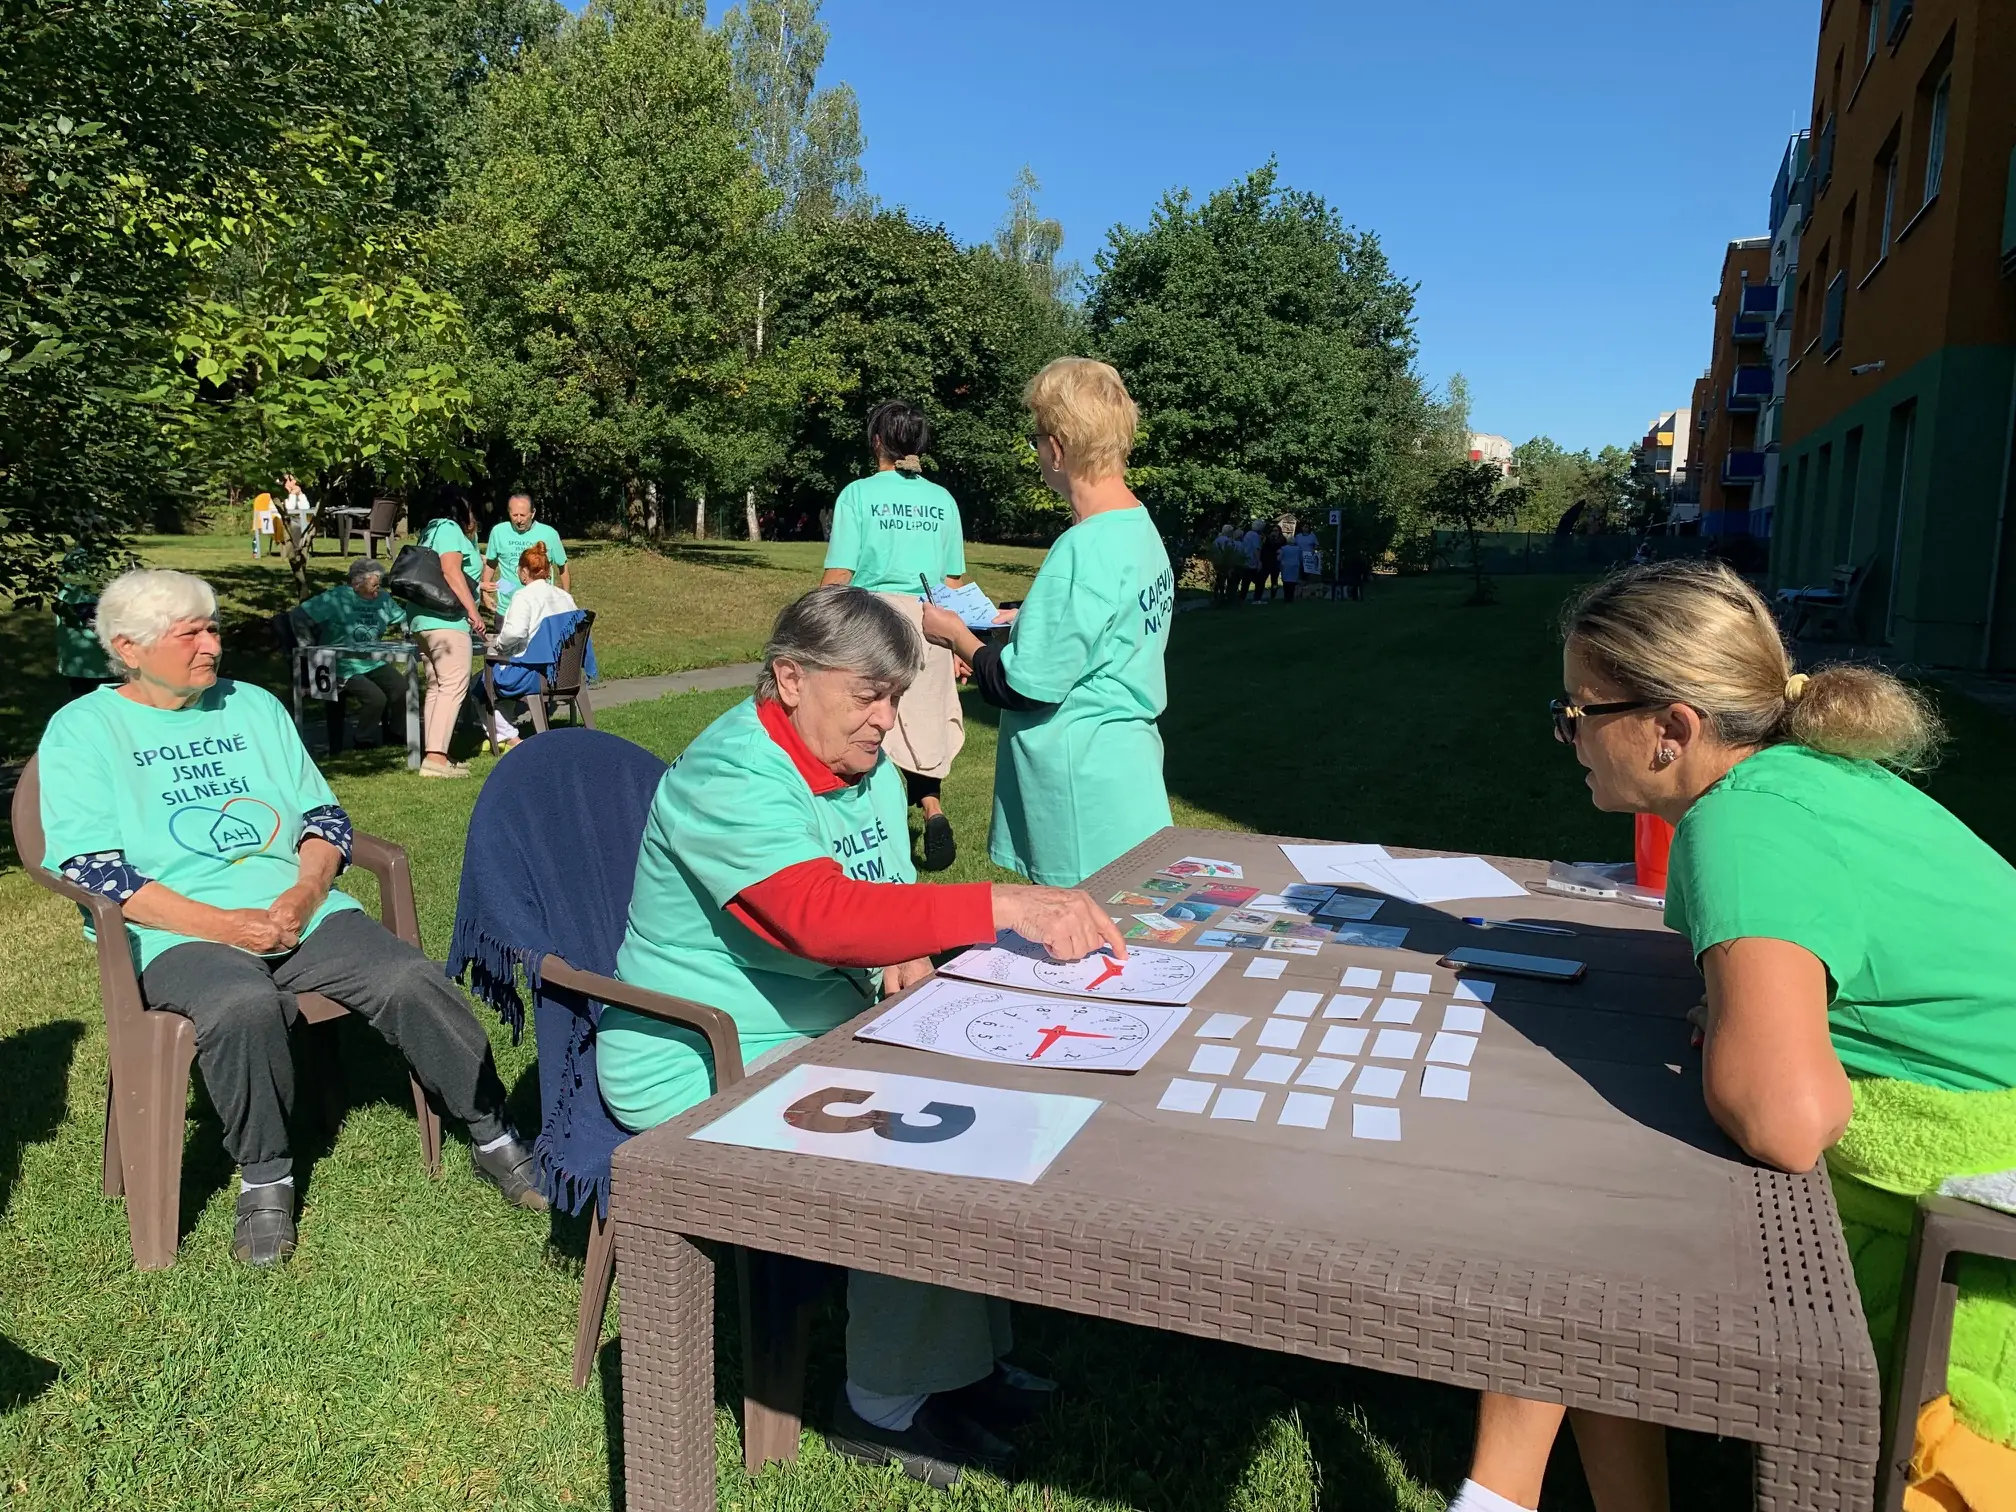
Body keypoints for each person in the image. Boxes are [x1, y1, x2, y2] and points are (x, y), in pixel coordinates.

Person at [1453, 559, 2016, 1512]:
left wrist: (1740, 1043)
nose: (1568, 735)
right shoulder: (1803, 778)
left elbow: (1785, 1122)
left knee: (1588, 1201)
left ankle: (1500, 1492)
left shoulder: (1743, 828)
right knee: (1603, 1191)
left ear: (1671, 730)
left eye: (1580, 712)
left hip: (1971, 1190)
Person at [597, 585, 1126, 1487]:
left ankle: (961, 1364)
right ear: (790, 679)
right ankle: (881, 1404)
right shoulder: (730, 773)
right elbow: (814, 915)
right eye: (869, 696)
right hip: (699, 1052)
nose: (888, 719)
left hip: (825, 1024)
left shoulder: (862, 765)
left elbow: (878, 898)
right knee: (915, 1129)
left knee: (991, 1077)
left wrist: (907, 946)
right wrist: (1000, 905)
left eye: (897, 697)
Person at [34, 570, 543, 1267]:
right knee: (242, 1006)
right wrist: (226, 926)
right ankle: (265, 1177)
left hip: (297, 909)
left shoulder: (252, 706)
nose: (212, 646)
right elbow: (96, 871)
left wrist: (304, 894)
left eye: (213, 629)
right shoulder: (84, 730)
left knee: (411, 980)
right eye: (190, 635)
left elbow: (324, 819)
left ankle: (494, 1134)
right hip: (173, 929)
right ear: (129, 648)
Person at [920, 357, 1175, 888]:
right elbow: (1108, 624)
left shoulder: (1082, 549)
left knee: (1084, 928)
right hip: (1130, 774)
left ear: (1057, 448)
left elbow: (1023, 687)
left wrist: (957, 637)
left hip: (1082, 794)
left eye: (1038, 439)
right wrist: (1030, 619)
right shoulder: (1139, 528)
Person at [820, 400, 971, 871]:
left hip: (874, 620)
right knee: (923, 724)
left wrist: (814, 628)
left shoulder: (858, 495)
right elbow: (952, 584)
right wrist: (960, 645)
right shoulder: (943, 501)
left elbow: (839, 575)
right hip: (931, 623)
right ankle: (932, 809)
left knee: (869, 724)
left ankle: (872, 827)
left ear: (877, 442)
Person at [291, 557, 410, 747]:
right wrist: (309, 647)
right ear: (356, 583)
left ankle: (396, 733)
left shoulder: (383, 600)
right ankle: (364, 739)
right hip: (341, 664)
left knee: (401, 688)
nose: (378, 589)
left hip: (372, 660)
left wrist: (408, 630)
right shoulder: (338, 597)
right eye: (374, 585)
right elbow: (298, 615)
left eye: (379, 584)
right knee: (375, 698)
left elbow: (404, 617)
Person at [409, 496, 487, 779]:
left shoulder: (430, 529)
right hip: (446, 620)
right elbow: (451, 571)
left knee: (437, 687)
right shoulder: (449, 528)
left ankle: (435, 755)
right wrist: (473, 612)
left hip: (422, 619)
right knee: (453, 686)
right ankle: (435, 758)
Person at [484, 541, 580, 750]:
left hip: (537, 675)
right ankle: (503, 734)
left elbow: (515, 633)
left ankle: (510, 738)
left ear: (525, 572)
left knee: (482, 683)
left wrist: (497, 644)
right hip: (566, 674)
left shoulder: (524, 596)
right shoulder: (565, 597)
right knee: (502, 673)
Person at [481, 490, 568, 619]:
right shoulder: (498, 532)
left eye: (523, 515)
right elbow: (491, 564)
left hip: (541, 610)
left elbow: (563, 567)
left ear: (533, 513)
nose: (518, 520)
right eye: (514, 515)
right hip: (507, 610)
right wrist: (485, 594)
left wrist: (565, 599)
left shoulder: (549, 534)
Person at [55, 548, 117, 696]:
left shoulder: (65, 589)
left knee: (79, 695)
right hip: (93, 661)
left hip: (73, 659)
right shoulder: (82, 592)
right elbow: (92, 620)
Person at [1260, 521, 1286, 602]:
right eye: (1273, 530)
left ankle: (1273, 595)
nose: (1275, 532)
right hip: (1266, 562)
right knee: (1262, 579)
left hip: (1276, 563)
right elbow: (1263, 548)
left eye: (1276, 530)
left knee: (1274, 581)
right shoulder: (1267, 539)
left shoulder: (1282, 540)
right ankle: (1259, 595)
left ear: (1279, 531)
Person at [1239, 519, 1262, 603]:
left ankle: (1242, 598)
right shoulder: (1256, 536)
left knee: (1245, 581)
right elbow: (1256, 549)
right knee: (1259, 581)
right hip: (1252, 561)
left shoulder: (1247, 534)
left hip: (1245, 560)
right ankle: (1256, 599)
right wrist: (1259, 561)